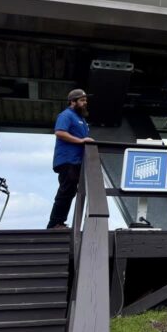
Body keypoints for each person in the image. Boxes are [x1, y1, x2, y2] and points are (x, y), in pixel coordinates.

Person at [47, 88, 95, 229]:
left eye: (85, 100)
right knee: (66, 190)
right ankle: (55, 223)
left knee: (70, 192)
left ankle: (59, 222)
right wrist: (81, 141)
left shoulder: (81, 119)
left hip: (77, 161)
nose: (85, 103)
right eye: (82, 100)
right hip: (68, 160)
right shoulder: (66, 115)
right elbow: (60, 132)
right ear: (72, 102)